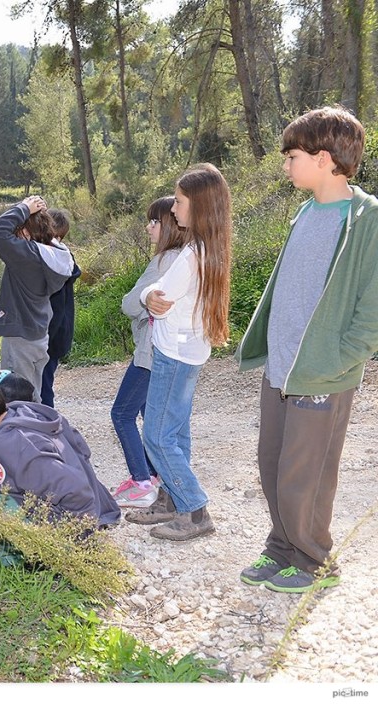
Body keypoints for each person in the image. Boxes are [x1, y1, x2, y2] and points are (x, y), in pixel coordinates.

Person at [236, 106, 378, 593]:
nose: (285, 165)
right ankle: (282, 549)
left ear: (322, 159)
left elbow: (372, 304)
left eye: (291, 156)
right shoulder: (305, 211)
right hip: (283, 367)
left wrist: (343, 357)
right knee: (273, 461)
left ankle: (314, 559)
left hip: (323, 372)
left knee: (307, 473)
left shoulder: (368, 219)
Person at [126, 163, 232, 541]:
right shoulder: (210, 248)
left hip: (173, 354)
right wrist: (150, 296)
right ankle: (171, 499)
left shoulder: (190, 255)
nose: (173, 208)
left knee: (156, 435)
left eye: (180, 201)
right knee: (176, 431)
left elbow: (157, 295)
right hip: (191, 350)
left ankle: (194, 507)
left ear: (199, 207)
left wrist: (144, 295)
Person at [0, 368, 119, 528]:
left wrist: (77, 538)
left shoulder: (11, 444)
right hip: (70, 501)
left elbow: (76, 489)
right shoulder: (20, 412)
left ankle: (11, 559)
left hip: (65, 524)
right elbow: (82, 450)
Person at [109, 198, 184, 508]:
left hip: (150, 353)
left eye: (154, 222)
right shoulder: (184, 258)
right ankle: (153, 475)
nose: (148, 227)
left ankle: (142, 481)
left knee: (122, 413)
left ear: (168, 226)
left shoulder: (164, 261)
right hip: (166, 350)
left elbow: (130, 304)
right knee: (147, 414)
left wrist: (138, 302)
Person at [0, 196, 75, 401]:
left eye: (17, 230)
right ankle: (40, 431)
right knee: (33, 394)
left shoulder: (27, 256)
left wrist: (23, 208)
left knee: (16, 399)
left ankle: (27, 432)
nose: (14, 235)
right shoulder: (52, 255)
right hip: (38, 335)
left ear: (25, 231)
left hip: (20, 338)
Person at [41, 209, 81, 408]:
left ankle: (46, 427)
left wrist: (44, 338)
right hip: (58, 334)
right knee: (44, 384)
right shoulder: (66, 258)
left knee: (42, 387)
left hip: (50, 335)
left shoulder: (54, 263)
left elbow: (55, 309)